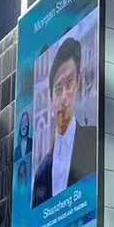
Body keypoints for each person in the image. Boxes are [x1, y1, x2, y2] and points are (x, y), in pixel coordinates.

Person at [32, 37, 97, 205]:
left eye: (69, 84)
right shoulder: (41, 173)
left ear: (79, 85)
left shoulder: (94, 141)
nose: (63, 97)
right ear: (51, 98)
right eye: (58, 89)